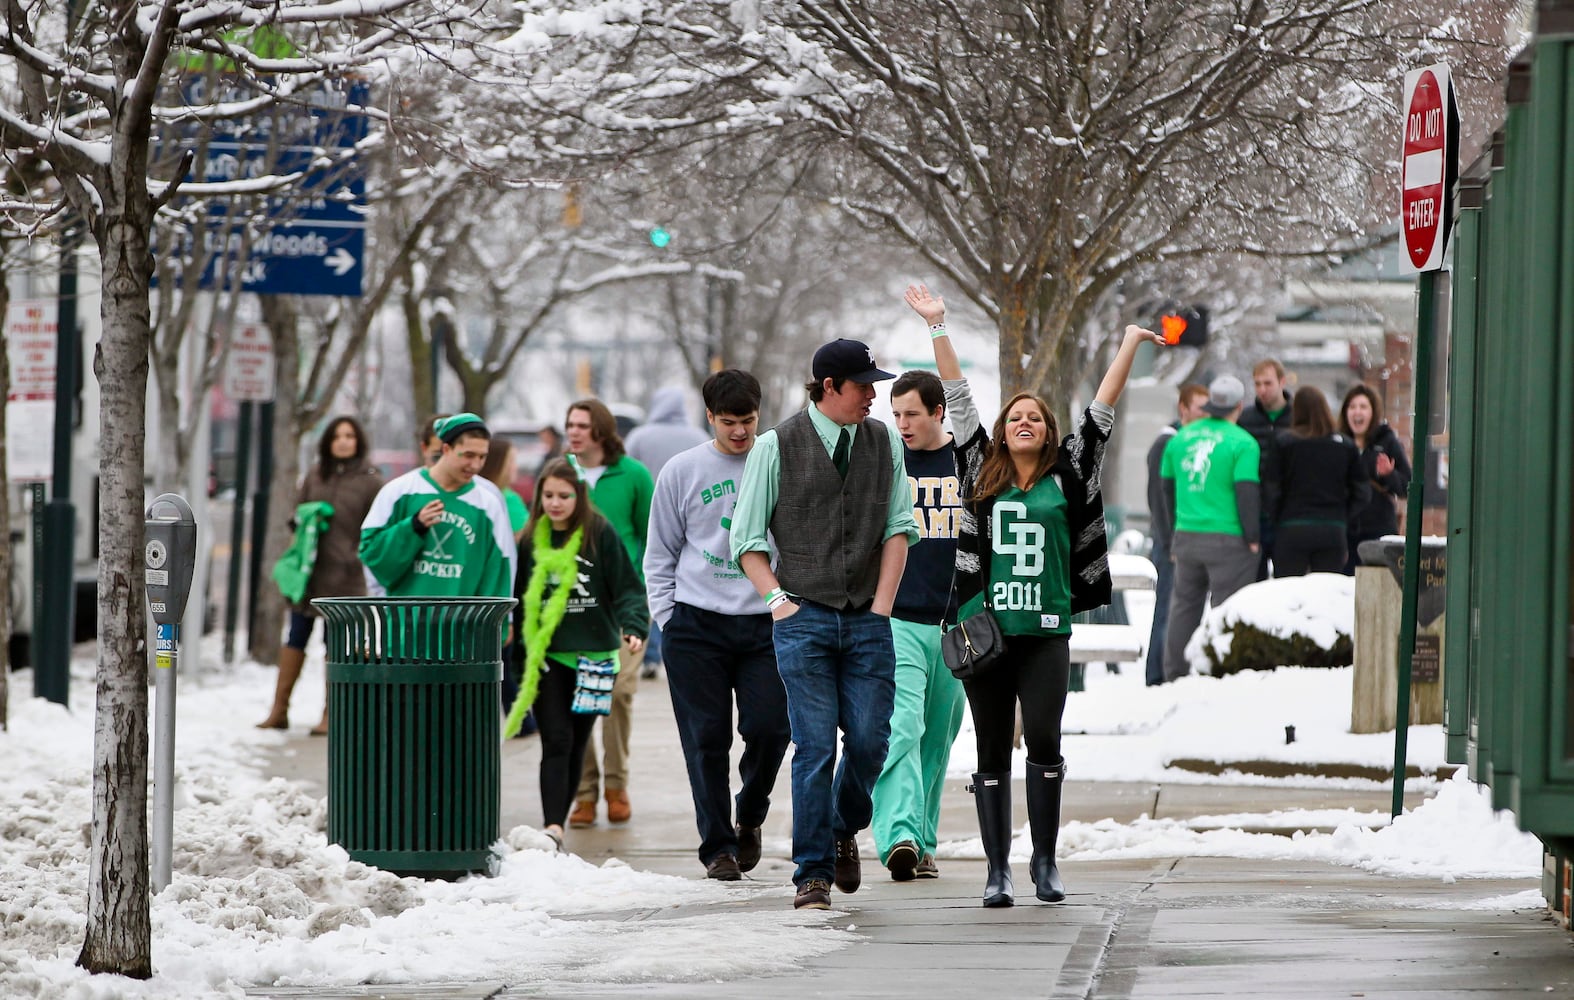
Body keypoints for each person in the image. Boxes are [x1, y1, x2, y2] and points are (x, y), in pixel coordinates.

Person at [907, 283, 1161, 908]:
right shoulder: (978, 468)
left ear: (1048, 432)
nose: (1024, 421)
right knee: (990, 746)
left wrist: (1128, 343)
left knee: (1044, 740)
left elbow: (1100, 411)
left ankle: (1045, 863)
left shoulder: (1069, 474)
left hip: (1045, 631)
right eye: (1014, 416)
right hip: (984, 631)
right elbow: (959, 395)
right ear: (1001, 430)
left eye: (1035, 417)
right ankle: (998, 871)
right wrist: (938, 325)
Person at [730, 336, 918, 911]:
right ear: (829, 387)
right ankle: (811, 872)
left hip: (868, 618)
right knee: (814, 747)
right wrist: (778, 600)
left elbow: (897, 527)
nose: (873, 397)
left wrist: (883, 606)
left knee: (868, 742)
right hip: (803, 618)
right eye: (864, 386)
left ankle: (843, 827)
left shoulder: (884, 442)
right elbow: (746, 539)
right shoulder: (774, 445)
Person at [644, 370, 791, 881]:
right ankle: (718, 847)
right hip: (696, 624)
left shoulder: (777, 462)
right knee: (706, 738)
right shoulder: (681, 471)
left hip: (766, 621)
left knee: (772, 729)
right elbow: (660, 552)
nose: (739, 433)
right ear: (709, 417)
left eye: (748, 421)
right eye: (729, 423)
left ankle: (749, 813)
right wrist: (668, 617)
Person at [505, 458, 648, 852]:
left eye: (564, 496)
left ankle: (560, 820)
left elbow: (628, 588)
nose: (555, 503)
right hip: (548, 657)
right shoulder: (530, 540)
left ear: (579, 496)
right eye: (548, 495)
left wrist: (634, 626)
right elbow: (514, 594)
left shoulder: (599, 533)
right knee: (557, 739)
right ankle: (554, 826)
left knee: (579, 740)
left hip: (596, 656)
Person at [870, 369, 966, 882]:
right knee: (901, 726)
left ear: (938, 412)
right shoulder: (887, 462)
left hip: (957, 624)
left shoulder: (966, 460)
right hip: (899, 617)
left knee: (938, 738)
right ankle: (898, 835)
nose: (902, 424)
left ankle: (924, 842)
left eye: (912, 414)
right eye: (897, 414)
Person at [258, 416, 384, 734]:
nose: (343, 441)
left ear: (358, 442)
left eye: (349, 436)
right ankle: (279, 710)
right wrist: (304, 520)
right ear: (328, 441)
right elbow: (296, 513)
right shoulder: (316, 475)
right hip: (310, 575)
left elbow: (379, 527)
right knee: (295, 638)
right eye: (337, 436)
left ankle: (331, 714)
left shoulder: (371, 481)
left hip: (347, 578)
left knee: (336, 645)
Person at [564, 399, 655, 827]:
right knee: (581, 695)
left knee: (617, 693)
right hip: (575, 604)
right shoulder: (563, 473)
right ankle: (584, 792)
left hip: (625, 603)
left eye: (582, 425)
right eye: (570, 425)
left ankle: (617, 785)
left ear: (601, 430)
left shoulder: (633, 475)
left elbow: (653, 535)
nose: (574, 432)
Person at [1160, 375, 1262, 682]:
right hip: (1228, 539)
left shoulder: (1179, 440)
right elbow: (1246, 492)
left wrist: (1171, 537)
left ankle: (1175, 673)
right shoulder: (1243, 442)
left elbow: (1165, 491)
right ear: (1239, 406)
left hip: (1187, 537)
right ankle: (1225, 671)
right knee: (1227, 609)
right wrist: (1252, 536)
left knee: (1183, 608)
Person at [358, 412, 516, 600]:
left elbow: (500, 570)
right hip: (407, 622)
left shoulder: (489, 503)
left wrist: (498, 621)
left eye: (482, 457)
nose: (475, 465)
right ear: (446, 449)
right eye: (468, 455)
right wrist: (412, 528)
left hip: (462, 626)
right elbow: (371, 553)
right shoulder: (399, 491)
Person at [624, 387, 708, 679]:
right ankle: (661, 642)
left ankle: (648, 651)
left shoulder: (639, 437)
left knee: (652, 579)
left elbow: (628, 471)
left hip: (648, 517)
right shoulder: (697, 436)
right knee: (677, 580)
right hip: (689, 520)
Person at [1143, 383, 1209, 687]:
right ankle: (1158, 675)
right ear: (1183, 409)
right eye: (1201, 407)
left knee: (1178, 608)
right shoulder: (1167, 443)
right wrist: (1170, 543)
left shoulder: (1192, 442)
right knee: (1167, 609)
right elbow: (1159, 499)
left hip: (1185, 540)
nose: (1207, 414)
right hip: (1171, 543)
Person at [1271, 387, 1369, 576]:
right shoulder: (1345, 445)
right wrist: (1343, 515)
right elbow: (1362, 492)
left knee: (1288, 594)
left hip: (1292, 527)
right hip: (1332, 529)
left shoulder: (1284, 442)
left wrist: (1279, 516)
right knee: (1327, 593)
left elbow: (1271, 489)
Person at [1338, 384, 1412, 574]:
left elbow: (1407, 486)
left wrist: (1389, 474)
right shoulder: (1338, 443)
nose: (1357, 412)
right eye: (1352, 407)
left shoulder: (1387, 441)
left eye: (1363, 407)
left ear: (1373, 412)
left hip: (1379, 529)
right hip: (1345, 530)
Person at [1238, 360, 1292, 580]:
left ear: (1282, 382)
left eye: (1268, 383)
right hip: (1255, 513)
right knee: (1253, 584)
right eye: (1258, 384)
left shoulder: (1297, 418)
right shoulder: (1246, 419)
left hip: (1286, 513)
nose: (1262, 390)